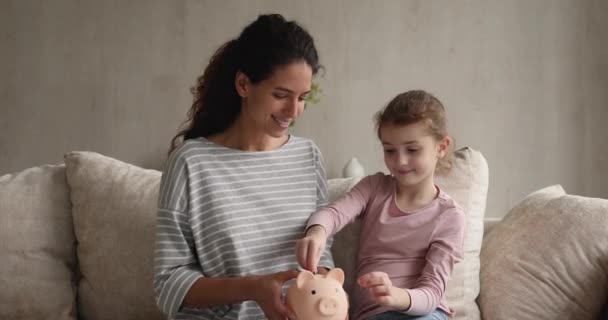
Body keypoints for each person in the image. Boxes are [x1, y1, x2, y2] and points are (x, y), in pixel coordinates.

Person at [154, 13, 334, 320]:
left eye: (303, 97)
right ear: (243, 84)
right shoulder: (190, 163)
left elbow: (322, 255)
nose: (293, 111)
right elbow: (168, 284)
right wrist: (253, 288)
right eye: (281, 95)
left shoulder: (309, 156)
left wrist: (328, 293)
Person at [296, 90, 465, 320]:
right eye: (390, 150)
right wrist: (317, 232)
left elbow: (432, 293)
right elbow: (334, 214)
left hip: (425, 313)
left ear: (441, 147)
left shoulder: (449, 216)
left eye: (412, 150)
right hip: (372, 314)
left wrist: (395, 295)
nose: (400, 161)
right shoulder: (374, 188)